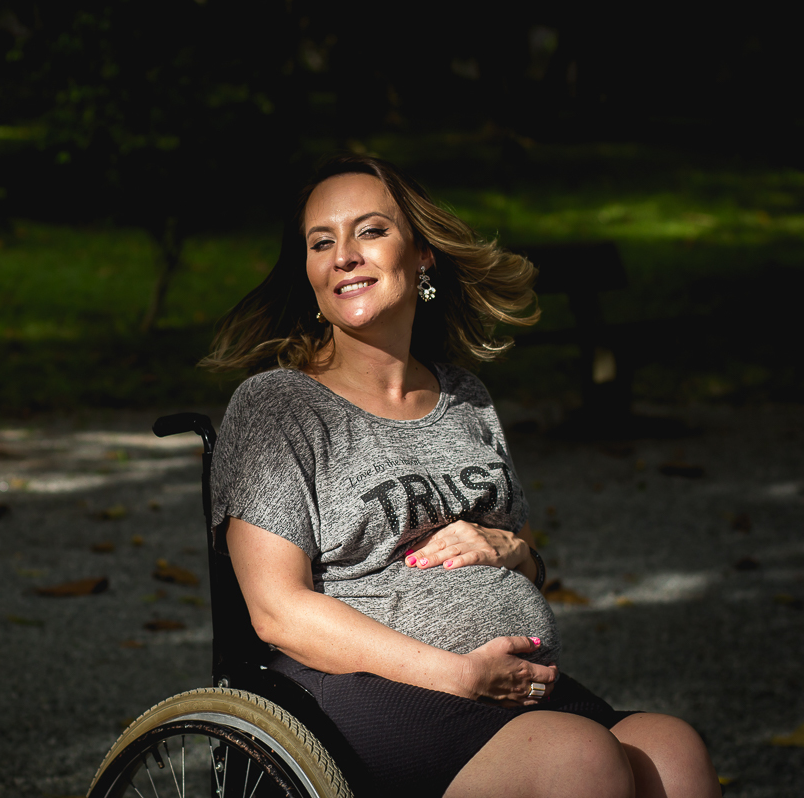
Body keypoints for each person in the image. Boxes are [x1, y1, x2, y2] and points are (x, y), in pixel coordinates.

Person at [202, 155, 720, 798]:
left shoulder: (466, 397)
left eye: (369, 231)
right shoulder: (278, 407)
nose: (343, 256)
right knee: (579, 761)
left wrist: (519, 553)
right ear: (307, 273)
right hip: (357, 692)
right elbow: (280, 613)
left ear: (422, 254)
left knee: (675, 753)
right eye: (321, 242)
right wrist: (456, 675)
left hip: (499, 683)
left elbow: (522, 558)